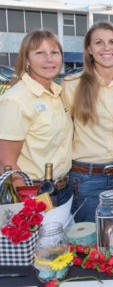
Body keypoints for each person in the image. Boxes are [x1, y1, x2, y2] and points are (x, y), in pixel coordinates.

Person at [62, 21, 113, 223]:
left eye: (112, 42)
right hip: (86, 180)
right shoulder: (71, 85)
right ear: (89, 49)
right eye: (99, 42)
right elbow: (59, 130)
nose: (106, 48)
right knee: (89, 246)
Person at [0, 30, 73, 204]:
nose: (49, 59)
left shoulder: (57, 93)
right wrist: (29, 201)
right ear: (26, 60)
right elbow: (6, 162)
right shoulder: (16, 99)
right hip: (33, 193)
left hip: (63, 190)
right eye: (40, 53)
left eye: (54, 53)